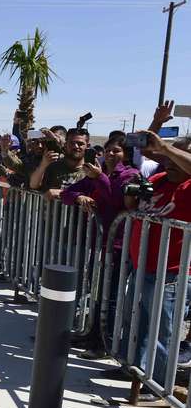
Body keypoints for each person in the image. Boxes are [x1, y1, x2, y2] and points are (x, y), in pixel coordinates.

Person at [113, 133, 191, 392]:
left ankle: (158, 386)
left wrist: (167, 147)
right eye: (167, 155)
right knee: (135, 321)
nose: (168, 160)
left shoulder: (189, 187)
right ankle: (134, 370)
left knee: (161, 332)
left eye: (177, 155)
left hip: (170, 273)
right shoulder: (157, 180)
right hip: (141, 264)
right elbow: (134, 206)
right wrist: (131, 195)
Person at [60, 132, 140, 359]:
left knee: (111, 295)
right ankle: (91, 334)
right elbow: (67, 193)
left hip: (119, 245)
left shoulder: (130, 175)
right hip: (98, 243)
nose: (111, 154)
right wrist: (79, 198)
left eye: (117, 151)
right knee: (96, 291)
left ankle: (105, 344)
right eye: (108, 151)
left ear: (126, 154)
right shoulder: (99, 174)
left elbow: (118, 200)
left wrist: (100, 179)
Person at [29, 128, 88, 199]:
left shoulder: (91, 171)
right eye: (72, 143)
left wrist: (61, 192)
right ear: (65, 144)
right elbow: (34, 185)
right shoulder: (53, 167)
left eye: (80, 144)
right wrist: (43, 165)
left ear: (87, 146)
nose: (75, 146)